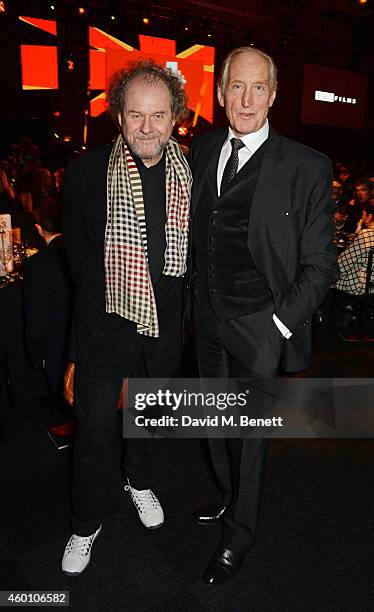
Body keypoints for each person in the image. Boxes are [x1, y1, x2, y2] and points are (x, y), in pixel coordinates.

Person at [188, 46, 338, 585]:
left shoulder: (305, 165)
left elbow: (322, 264)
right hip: (206, 319)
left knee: (249, 435)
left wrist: (278, 326)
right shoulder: (202, 151)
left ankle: (239, 537)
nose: (246, 99)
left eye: (258, 88)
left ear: (273, 95)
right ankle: (229, 498)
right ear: (222, 91)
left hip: (261, 324)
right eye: (236, 86)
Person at [61, 60, 191, 575]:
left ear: (174, 117)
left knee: (147, 424)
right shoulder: (86, 172)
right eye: (136, 115)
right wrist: (75, 348)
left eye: (158, 116)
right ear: (119, 115)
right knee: (93, 435)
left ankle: (138, 481)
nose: (147, 128)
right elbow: (78, 265)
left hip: (163, 333)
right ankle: (84, 523)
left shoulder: (192, 173)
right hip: (103, 329)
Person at [23, 199, 73, 418]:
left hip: (55, 343)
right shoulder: (80, 252)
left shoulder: (36, 265)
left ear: (39, 229)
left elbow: (35, 316)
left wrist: (34, 353)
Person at [336, 200, 374, 296]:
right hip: (371, 287)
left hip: (358, 285)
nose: (362, 217)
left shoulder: (367, 234)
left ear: (369, 217)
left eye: (363, 214)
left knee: (322, 276)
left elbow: (344, 263)